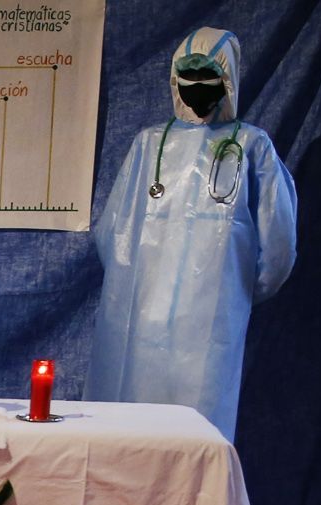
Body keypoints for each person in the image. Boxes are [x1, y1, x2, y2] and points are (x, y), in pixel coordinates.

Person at [90, 27, 297, 441]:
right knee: (130, 431)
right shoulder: (150, 146)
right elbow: (114, 234)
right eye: (189, 78)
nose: (198, 88)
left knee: (198, 435)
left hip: (211, 326)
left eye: (208, 78)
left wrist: (234, 291)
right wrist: (129, 288)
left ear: (229, 81)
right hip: (138, 319)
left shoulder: (250, 147)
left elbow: (278, 244)